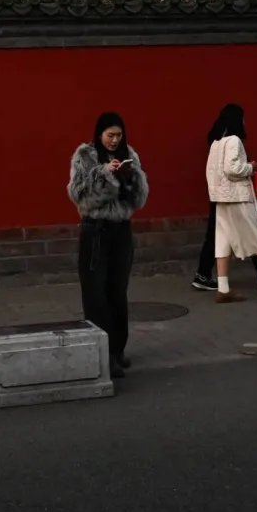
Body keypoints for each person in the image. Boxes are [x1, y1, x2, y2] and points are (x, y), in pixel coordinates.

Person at [67, 111, 149, 380]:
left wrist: (130, 176)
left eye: (118, 135)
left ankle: (117, 350)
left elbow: (138, 200)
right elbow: (79, 196)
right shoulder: (85, 156)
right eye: (109, 135)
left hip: (121, 231)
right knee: (95, 293)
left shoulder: (130, 155)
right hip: (95, 231)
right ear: (99, 133)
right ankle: (100, 352)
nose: (114, 141)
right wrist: (105, 175)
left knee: (118, 291)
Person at [192, 115, 257, 292]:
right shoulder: (234, 141)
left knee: (222, 242)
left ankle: (223, 288)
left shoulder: (216, 143)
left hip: (220, 199)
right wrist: (251, 167)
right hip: (238, 197)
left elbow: (212, 172)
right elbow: (233, 169)